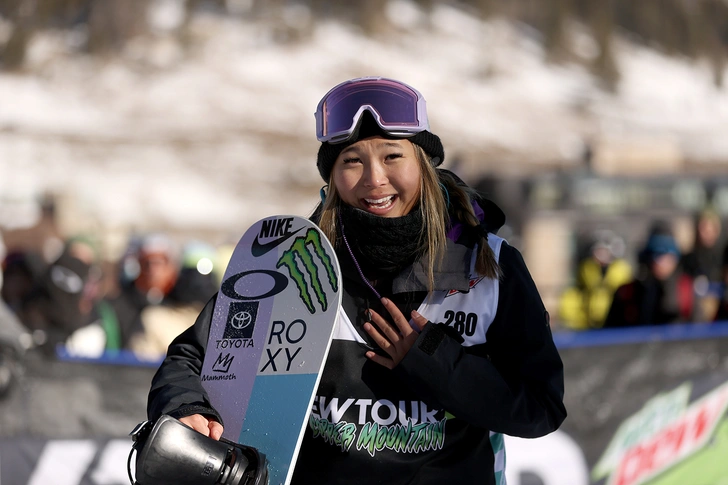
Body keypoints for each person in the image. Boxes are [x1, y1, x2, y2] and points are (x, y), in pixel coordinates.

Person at [146, 76, 567, 484]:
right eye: (352, 161)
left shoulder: (489, 266)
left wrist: (432, 357)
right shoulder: (291, 266)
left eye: (392, 156)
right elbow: (191, 360)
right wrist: (188, 408)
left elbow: (539, 407)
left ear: (421, 163)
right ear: (331, 178)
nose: (374, 179)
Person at [604, 222, 695, 327]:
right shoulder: (627, 293)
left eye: (667, 254)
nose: (661, 262)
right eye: (656, 254)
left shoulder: (687, 290)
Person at [559, 229, 632, 329]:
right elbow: (575, 295)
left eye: (603, 250)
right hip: (588, 325)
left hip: (615, 325)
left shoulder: (621, 270)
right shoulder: (587, 269)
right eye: (597, 250)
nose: (599, 254)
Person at [681, 208, 724, 322]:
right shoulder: (688, 260)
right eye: (703, 227)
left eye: (711, 227)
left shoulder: (723, 257)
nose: (706, 232)